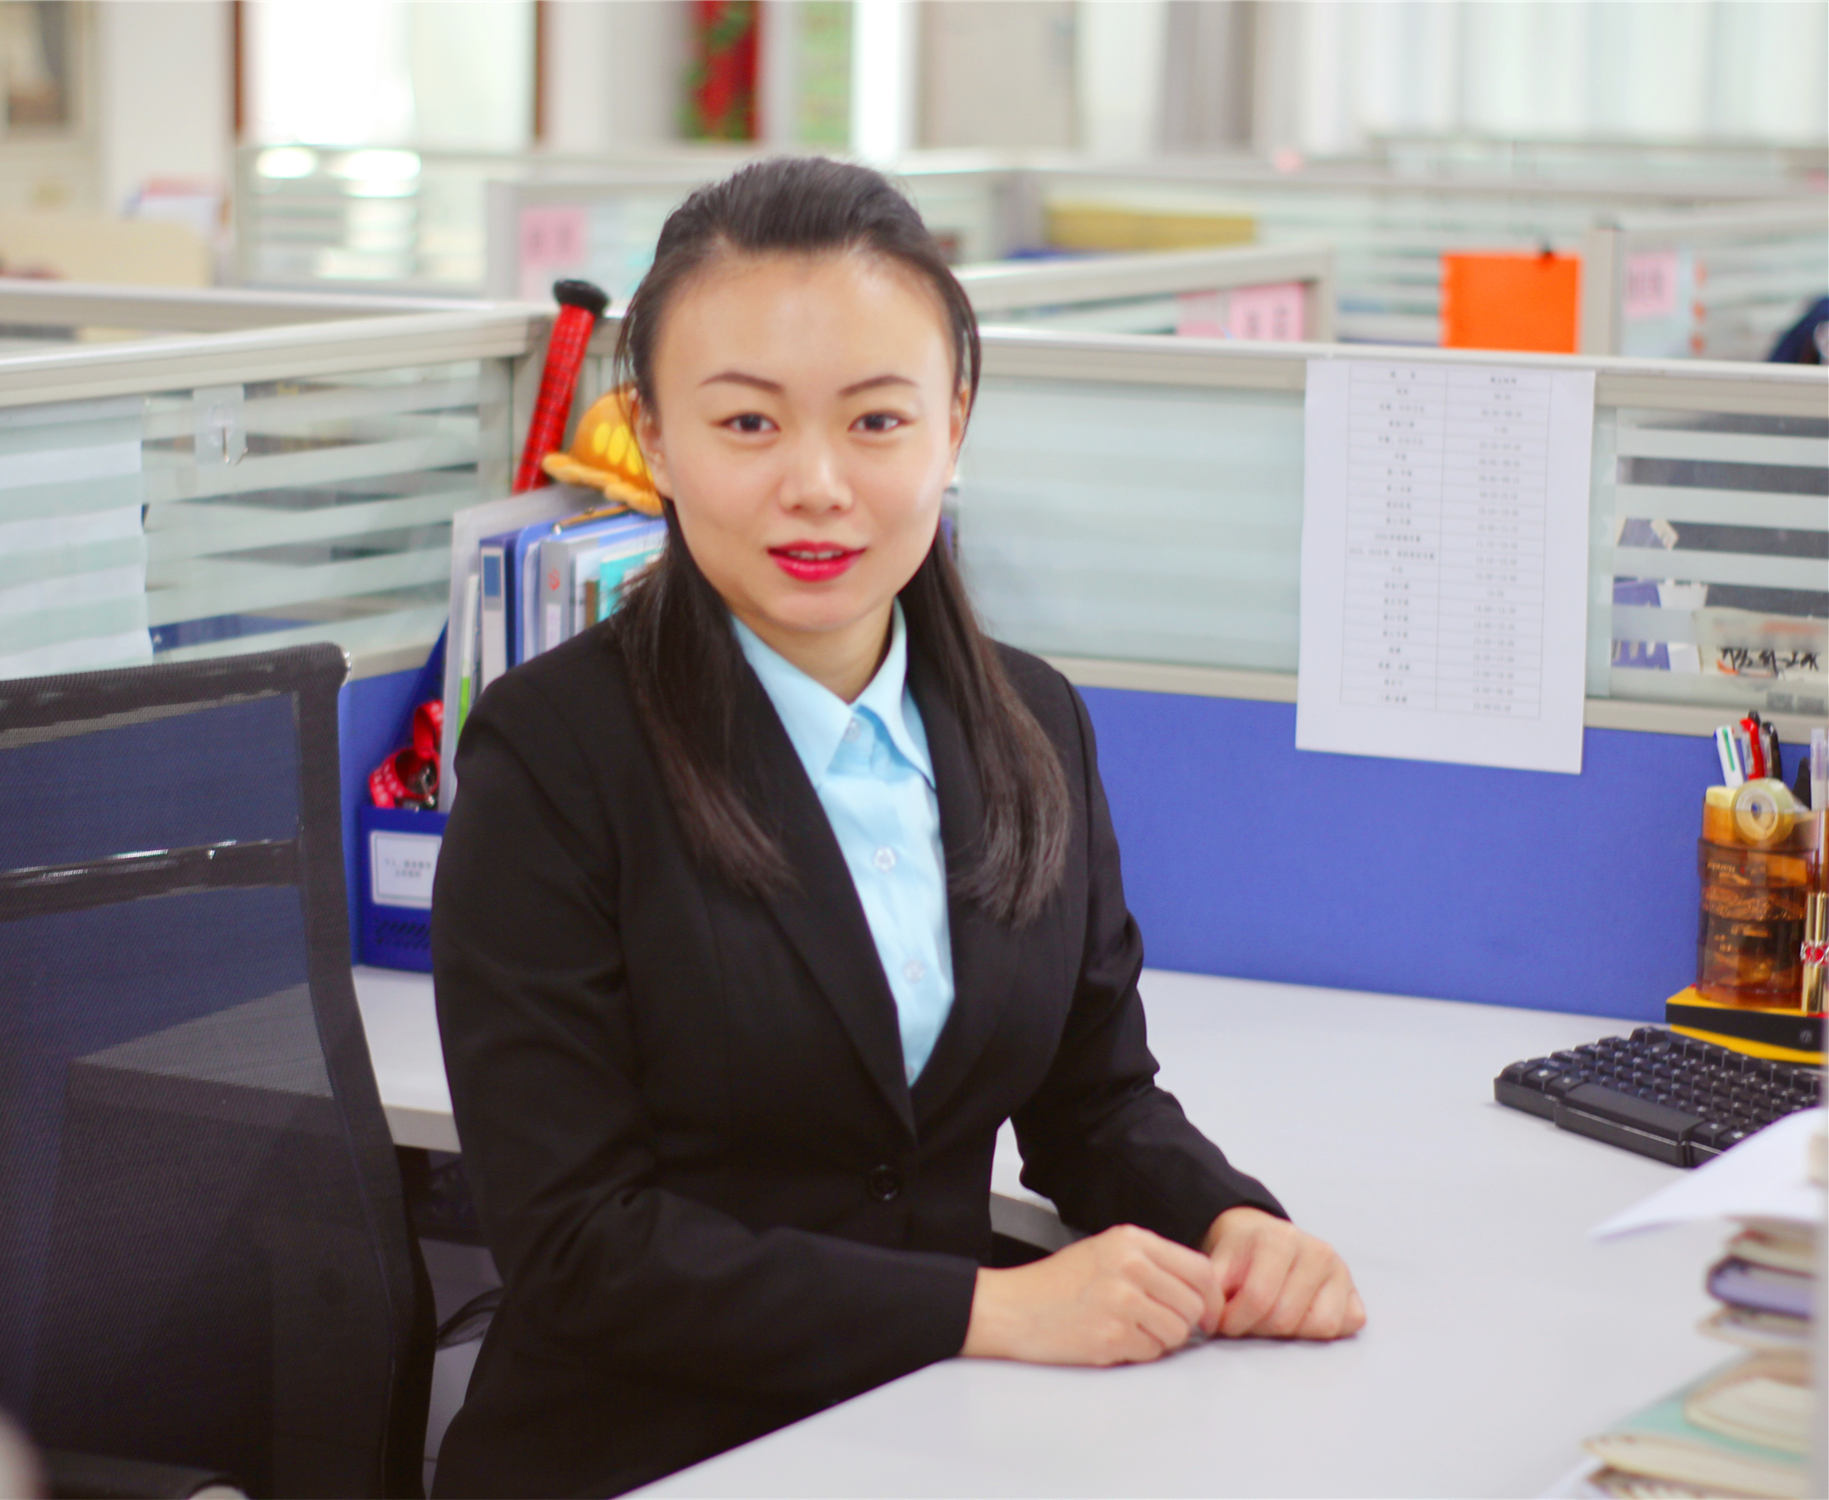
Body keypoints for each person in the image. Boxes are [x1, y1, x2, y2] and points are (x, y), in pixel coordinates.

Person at [430, 156, 1364, 1500]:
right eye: (748, 423)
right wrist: (987, 1309)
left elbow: (1093, 1101)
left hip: (938, 1439)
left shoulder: (1029, 723)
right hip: (647, 1455)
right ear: (653, 437)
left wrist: (1227, 1221)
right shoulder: (554, 755)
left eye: (876, 420)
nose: (817, 485)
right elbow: (580, 1247)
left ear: (953, 423)